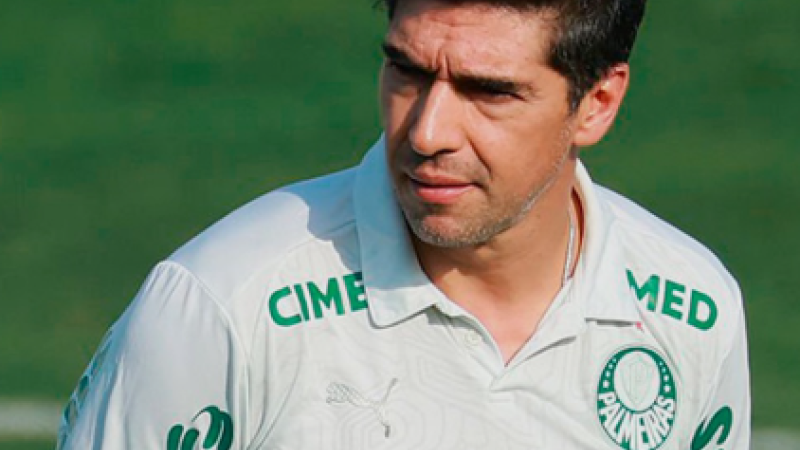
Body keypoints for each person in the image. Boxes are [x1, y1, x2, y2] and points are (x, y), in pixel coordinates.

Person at [58, 0, 751, 448]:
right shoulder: (221, 306)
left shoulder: (693, 312)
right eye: (407, 71)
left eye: (488, 91)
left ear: (597, 103)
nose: (426, 132)